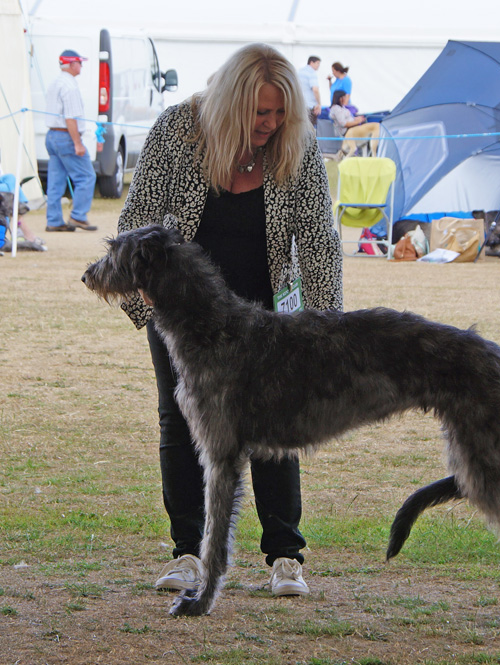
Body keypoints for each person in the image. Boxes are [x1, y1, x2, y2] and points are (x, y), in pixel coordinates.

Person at [117, 43, 343, 597]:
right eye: (258, 113)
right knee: (181, 417)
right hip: (184, 308)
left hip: (268, 304)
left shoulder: (296, 144)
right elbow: (138, 220)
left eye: (278, 114)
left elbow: (316, 240)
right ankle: (189, 552)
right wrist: (146, 304)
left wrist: (326, 328)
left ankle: (285, 556)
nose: (269, 124)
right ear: (229, 104)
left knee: (274, 421)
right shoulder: (178, 130)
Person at [44, 49, 97, 232]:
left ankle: (53, 220)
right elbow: (71, 118)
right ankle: (78, 216)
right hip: (66, 136)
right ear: (72, 64)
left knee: (55, 181)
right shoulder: (70, 86)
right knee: (87, 176)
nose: (81, 66)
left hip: (51, 135)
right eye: (80, 63)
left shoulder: (55, 83)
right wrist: (77, 143)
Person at [328, 90, 380, 160]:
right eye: (345, 97)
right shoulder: (336, 109)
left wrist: (357, 119)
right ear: (340, 98)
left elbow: (349, 119)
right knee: (354, 148)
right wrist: (358, 121)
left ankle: (366, 158)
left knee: (370, 129)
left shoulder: (342, 107)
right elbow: (344, 123)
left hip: (353, 129)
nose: (347, 99)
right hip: (348, 130)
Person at [297, 55, 322, 127]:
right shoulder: (312, 73)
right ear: (311, 62)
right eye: (317, 63)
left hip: (300, 105)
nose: (318, 66)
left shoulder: (299, 71)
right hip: (310, 106)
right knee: (310, 130)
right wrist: (319, 104)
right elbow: (315, 89)